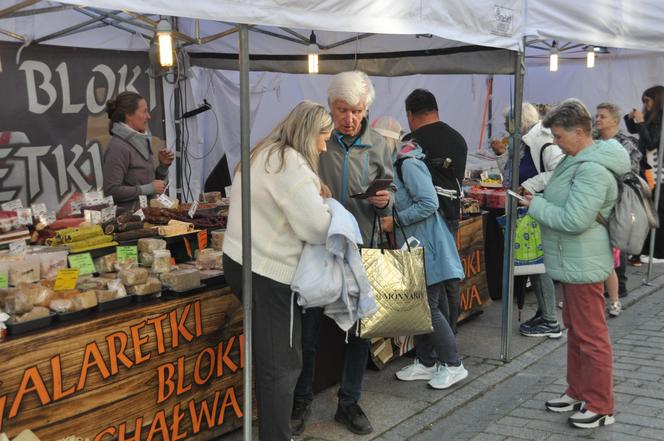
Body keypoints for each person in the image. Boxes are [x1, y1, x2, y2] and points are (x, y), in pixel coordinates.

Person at [222, 101, 334, 441]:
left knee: (273, 360)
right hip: (268, 272)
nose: (324, 146)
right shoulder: (292, 164)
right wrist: (328, 210)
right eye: (323, 137)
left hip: (238, 260)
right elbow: (316, 228)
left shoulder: (263, 152)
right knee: (281, 365)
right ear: (309, 133)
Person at [291, 71, 393, 436]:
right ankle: (300, 402)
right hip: (319, 249)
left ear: (367, 110)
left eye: (357, 111)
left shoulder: (380, 144)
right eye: (342, 109)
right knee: (309, 332)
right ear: (331, 106)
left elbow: (390, 194)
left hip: (362, 247)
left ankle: (348, 403)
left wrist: (385, 200)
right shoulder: (314, 140)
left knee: (361, 333)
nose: (349, 119)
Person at [522, 98, 630, 429]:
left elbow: (574, 220)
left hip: (582, 261)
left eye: (558, 135)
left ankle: (601, 404)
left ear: (580, 132)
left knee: (591, 335)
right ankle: (578, 390)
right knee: (578, 331)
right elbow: (556, 186)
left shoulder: (593, 169)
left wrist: (536, 206)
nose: (555, 142)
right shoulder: (578, 158)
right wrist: (537, 194)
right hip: (572, 260)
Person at [381, 140, 468, 389]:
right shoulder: (402, 163)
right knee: (421, 305)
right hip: (419, 245)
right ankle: (427, 361)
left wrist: (396, 221)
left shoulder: (407, 164)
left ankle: (453, 364)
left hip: (426, 246)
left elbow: (430, 203)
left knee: (427, 307)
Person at [491, 103, 564, 339]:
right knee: (532, 263)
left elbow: (559, 171)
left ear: (518, 121)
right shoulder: (521, 141)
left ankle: (551, 320)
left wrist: (531, 185)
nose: (504, 126)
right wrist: (502, 154)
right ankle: (545, 314)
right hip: (529, 208)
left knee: (538, 265)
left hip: (540, 207)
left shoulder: (542, 139)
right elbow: (510, 178)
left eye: (507, 122)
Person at [401, 89, 466, 333]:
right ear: (436, 109)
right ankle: (452, 332)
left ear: (410, 114)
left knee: (432, 284)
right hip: (452, 213)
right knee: (451, 277)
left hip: (427, 220)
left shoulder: (413, 142)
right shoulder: (458, 138)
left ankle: (440, 341)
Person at [595, 102, 640, 294]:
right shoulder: (593, 141)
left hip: (618, 201)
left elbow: (631, 174)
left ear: (615, 120)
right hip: (595, 199)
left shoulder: (625, 143)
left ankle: (618, 285)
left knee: (616, 241)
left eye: (602, 116)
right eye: (596, 116)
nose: (597, 119)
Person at [103, 91, 174, 212]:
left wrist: (163, 167)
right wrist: (148, 189)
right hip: (129, 221)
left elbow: (152, 185)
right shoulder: (118, 147)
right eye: (144, 111)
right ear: (129, 115)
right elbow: (111, 190)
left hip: (148, 215)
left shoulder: (141, 140)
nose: (148, 116)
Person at [625, 85, 664, 263]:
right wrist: (630, 118)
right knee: (646, 212)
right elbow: (634, 131)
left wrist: (640, 122)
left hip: (657, 174)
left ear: (657, 101)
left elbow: (650, 143)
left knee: (654, 212)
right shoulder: (653, 118)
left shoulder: (662, 119)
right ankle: (642, 252)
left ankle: (654, 252)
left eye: (647, 101)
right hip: (647, 170)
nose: (645, 105)